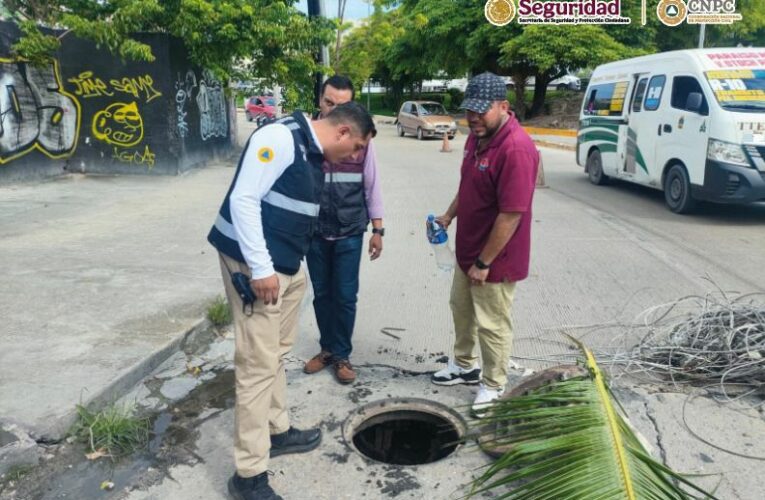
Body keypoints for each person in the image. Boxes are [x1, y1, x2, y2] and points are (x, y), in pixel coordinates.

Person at [207, 102, 376, 500]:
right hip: (254, 264)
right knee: (257, 364)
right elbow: (244, 200)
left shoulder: (309, 148)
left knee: (276, 353)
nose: (354, 158)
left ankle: (276, 430)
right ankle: (248, 475)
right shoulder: (278, 138)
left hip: (284, 261)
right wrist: (262, 269)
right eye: (355, 150)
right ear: (343, 133)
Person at [429, 72, 539, 417]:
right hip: (468, 251)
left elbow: (511, 215)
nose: (472, 118)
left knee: (492, 323)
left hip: (495, 259)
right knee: (461, 308)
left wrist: (484, 262)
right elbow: (469, 187)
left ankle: (493, 384)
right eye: (469, 110)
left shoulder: (516, 149)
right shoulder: (476, 138)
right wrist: (448, 217)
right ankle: (464, 365)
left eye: (481, 111)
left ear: (503, 107)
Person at [303, 75, 385, 384]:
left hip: (350, 229)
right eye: (328, 103)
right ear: (320, 100)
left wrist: (378, 230)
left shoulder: (362, 142)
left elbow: (372, 184)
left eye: (343, 104)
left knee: (346, 295)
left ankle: (342, 354)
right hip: (315, 232)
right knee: (322, 294)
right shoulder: (307, 137)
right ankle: (327, 349)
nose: (334, 109)